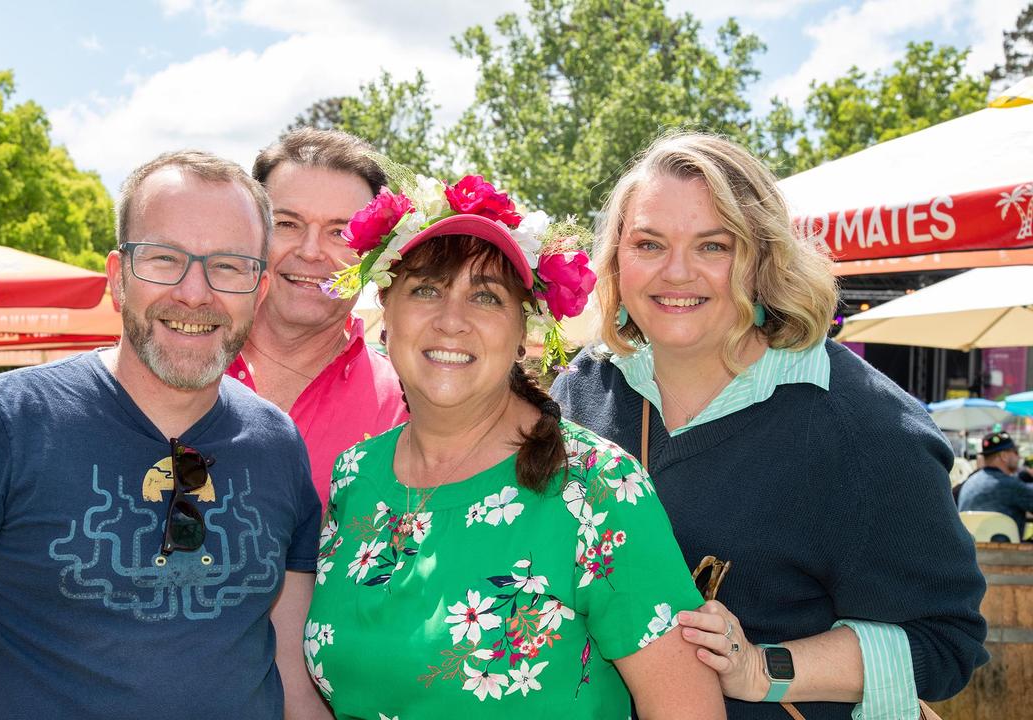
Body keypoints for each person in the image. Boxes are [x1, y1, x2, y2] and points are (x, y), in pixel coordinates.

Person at [0, 150, 327, 719]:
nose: (195, 293)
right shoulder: (5, 423)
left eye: (228, 266)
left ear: (257, 290)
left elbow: (292, 678)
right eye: (164, 259)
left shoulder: (277, 444)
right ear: (117, 279)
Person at [552, 132, 988, 719]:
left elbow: (944, 642)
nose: (677, 272)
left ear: (764, 260)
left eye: (714, 246)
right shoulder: (585, 388)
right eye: (649, 243)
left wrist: (763, 668)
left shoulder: (864, 425)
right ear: (616, 261)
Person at [305, 166, 725, 718]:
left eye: (485, 298)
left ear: (525, 331)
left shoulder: (598, 490)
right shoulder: (355, 475)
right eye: (425, 289)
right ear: (387, 313)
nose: (451, 320)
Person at [233, 128, 408, 504]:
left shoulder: (406, 405)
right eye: (287, 224)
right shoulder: (180, 366)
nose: (311, 251)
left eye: (340, 233)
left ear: (374, 255)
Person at [958, 431, 1033, 540]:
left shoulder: (969, 482)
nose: (1019, 457)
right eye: (1016, 452)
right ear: (1004, 456)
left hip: (972, 553)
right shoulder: (1010, 485)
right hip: (1008, 554)